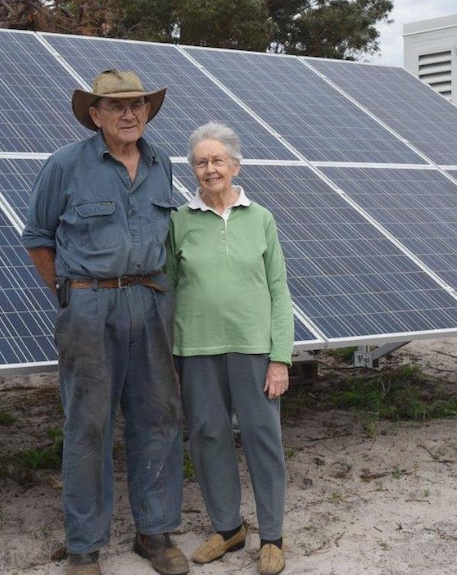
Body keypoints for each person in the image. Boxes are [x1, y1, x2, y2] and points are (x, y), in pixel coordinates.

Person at [21, 69, 188, 575]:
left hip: (152, 302)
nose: (129, 113)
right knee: (88, 425)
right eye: (116, 106)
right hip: (90, 308)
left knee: (157, 416)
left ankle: (154, 533)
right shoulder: (65, 166)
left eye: (137, 104)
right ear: (95, 115)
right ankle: (84, 547)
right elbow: (38, 237)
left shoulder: (162, 166)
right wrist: (70, 296)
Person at [166, 122, 294, 575]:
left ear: (236, 165)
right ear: (193, 170)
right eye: (201, 161)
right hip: (195, 349)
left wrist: (280, 357)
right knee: (208, 438)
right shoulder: (179, 222)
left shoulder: (261, 218)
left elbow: (279, 291)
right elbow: (168, 289)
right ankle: (228, 528)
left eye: (218, 160)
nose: (210, 168)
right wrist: (169, 355)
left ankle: (272, 537)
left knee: (263, 440)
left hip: (253, 349)